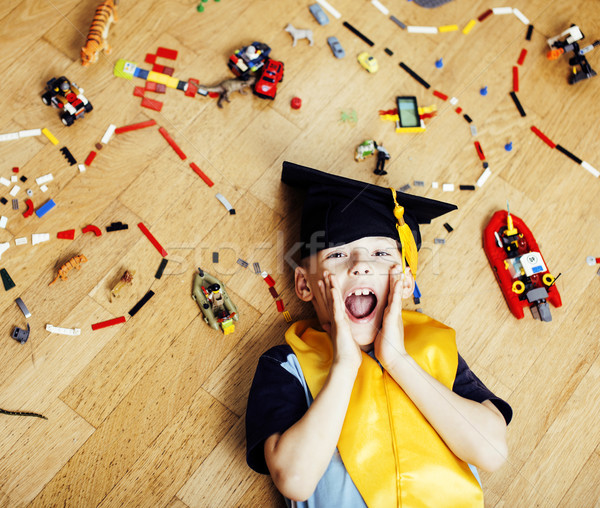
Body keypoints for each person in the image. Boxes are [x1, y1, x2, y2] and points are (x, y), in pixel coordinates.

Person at [246, 161, 512, 507]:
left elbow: (491, 451)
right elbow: (294, 480)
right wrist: (343, 367)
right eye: (338, 253)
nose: (360, 264)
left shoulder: (435, 343)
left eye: (382, 253)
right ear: (303, 284)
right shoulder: (288, 362)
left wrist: (400, 361)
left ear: (406, 282)